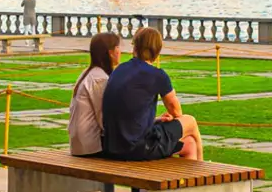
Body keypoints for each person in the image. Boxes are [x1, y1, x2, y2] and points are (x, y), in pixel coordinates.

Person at [102, 27, 202, 161]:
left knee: (189, 144)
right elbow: (177, 112)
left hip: (113, 146)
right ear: (157, 50)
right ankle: (203, 165)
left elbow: (126, 113)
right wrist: (172, 119)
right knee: (190, 121)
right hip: (138, 148)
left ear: (135, 47)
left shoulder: (120, 70)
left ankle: (189, 179)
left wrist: (155, 121)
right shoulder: (157, 75)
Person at [70, 32, 121, 155]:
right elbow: (104, 117)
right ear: (110, 52)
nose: (120, 51)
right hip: (91, 146)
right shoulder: (99, 79)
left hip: (81, 143)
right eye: (118, 47)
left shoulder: (88, 73)